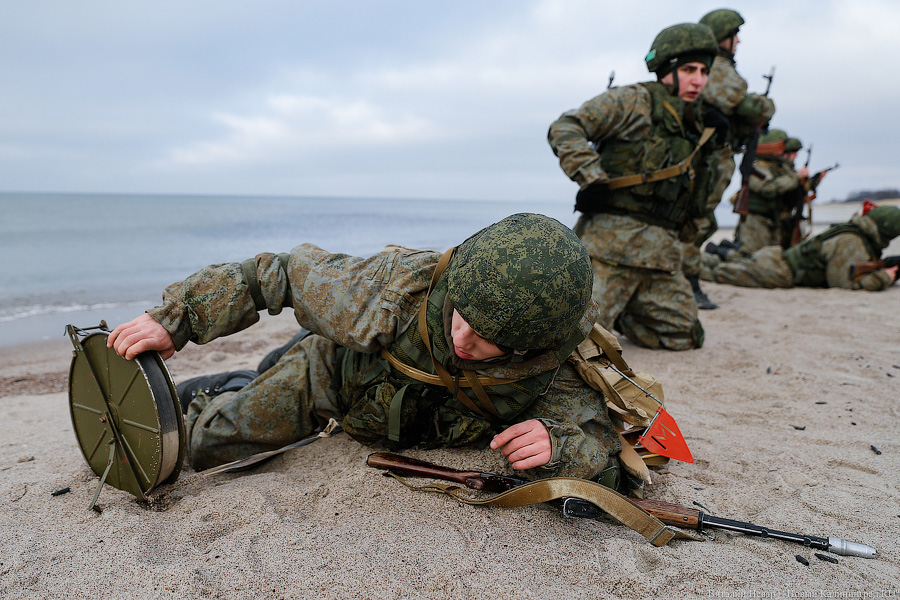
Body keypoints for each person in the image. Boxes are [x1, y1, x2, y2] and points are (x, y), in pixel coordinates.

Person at [108, 213, 632, 490]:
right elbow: (276, 276)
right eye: (462, 316)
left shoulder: (555, 364)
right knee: (199, 447)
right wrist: (176, 320)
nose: (463, 340)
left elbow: (600, 448)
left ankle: (243, 379)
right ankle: (226, 387)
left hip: (388, 419)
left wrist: (557, 445)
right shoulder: (393, 289)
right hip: (330, 377)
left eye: (490, 339)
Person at [547, 23, 719, 351]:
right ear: (666, 69)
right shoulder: (633, 101)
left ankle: (624, 311)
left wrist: (716, 143)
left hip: (660, 258)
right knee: (572, 342)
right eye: (688, 69)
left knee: (685, 335)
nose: (699, 79)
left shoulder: (697, 122)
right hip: (610, 252)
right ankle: (609, 306)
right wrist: (590, 175)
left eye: (704, 71)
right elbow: (566, 125)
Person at [682, 8, 776, 310]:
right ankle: (688, 281)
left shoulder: (713, 67)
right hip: (712, 156)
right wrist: (765, 105)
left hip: (716, 154)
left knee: (701, 221)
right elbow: (748, 107)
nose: (739, 42)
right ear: (722, 37)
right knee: (698, 221)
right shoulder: (717, 67)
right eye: (735, 35)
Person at [699, 205, 900, 290]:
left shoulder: (853, 232)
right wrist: (885, 277)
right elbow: (841, 283)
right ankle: (683, 260)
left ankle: (695, 256)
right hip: (777, 272)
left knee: (720, 264)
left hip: (776, 260)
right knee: (715, 273)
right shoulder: (852, 241)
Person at [706, 129, 815, 261]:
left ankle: (727, 247)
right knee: (750, 260)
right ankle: (717, 251)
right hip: (756, 220)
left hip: (773, 219)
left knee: (770, 259)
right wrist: (796, 178)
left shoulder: (779, 167)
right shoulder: (757, 166)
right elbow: (767, 188)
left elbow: (789, 191)